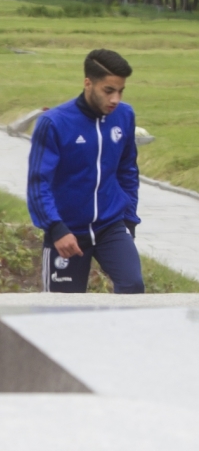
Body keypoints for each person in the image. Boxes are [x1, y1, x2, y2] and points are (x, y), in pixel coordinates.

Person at [28, 49, 143, 294]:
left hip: (111, 225)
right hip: (67, 230)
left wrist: (129, 219)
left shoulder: (124, 116)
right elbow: (38, 183)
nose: (115, 99)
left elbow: (128, 170)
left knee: (133, 285)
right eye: (108, 90)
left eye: (120, 91)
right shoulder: (54, 123)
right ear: (88, 83)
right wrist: (56, 228)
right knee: (63, 308)